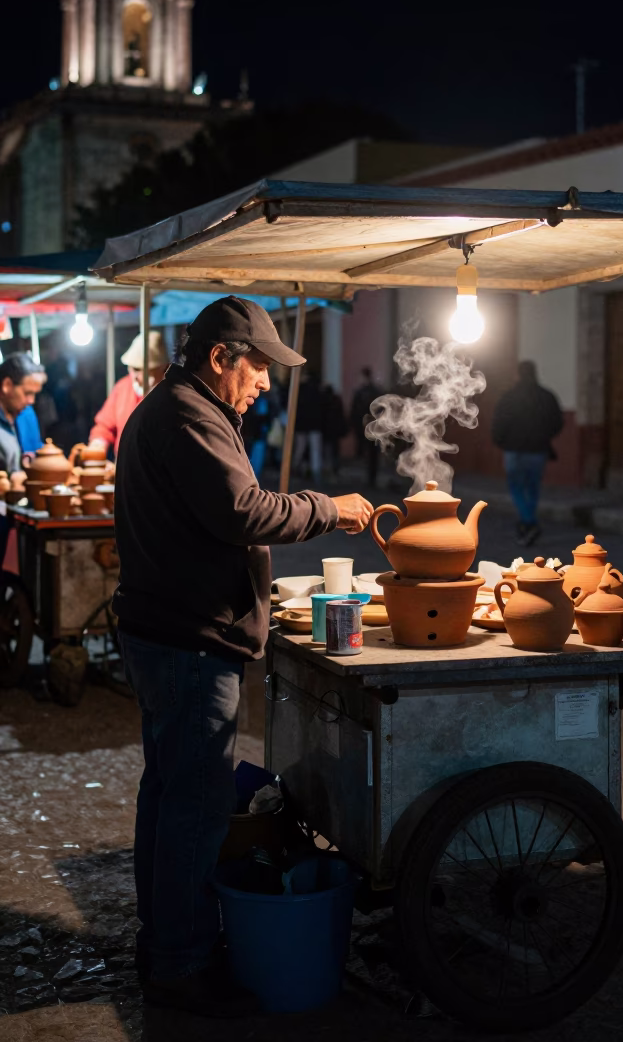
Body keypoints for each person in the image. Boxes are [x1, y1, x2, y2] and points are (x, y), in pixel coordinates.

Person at [113, 296, 372, 1017]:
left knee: (169, 799)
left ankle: (164, 942)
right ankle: (182, 964)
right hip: (190, 642)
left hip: (169, 633)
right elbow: (243, 510)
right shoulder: (188, 416)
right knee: (193, 808)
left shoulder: (182, 409)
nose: (265, 384)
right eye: (258, 368)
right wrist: (328, 508)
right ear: (220, 357)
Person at [491, 360, 564, 547]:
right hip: (537, 451)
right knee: (532, 489)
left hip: (514, 451)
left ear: (518, 374)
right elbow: (558, 422)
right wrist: (545, 436)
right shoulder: (547, 396)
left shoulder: (508, 397)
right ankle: (527, 521)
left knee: (516, 488)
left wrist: (501, 442)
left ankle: (529, 522)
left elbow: (499, 423)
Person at [87, 330, 169, 458]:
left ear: (162, 367)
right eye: (132, 369)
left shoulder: (173, 394)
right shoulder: (123, 387)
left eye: (141, 370)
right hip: (124, 468)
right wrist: (98, 444)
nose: (135, 376)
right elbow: (105, 425)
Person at [0, 353, 43, 476]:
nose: (31, 401)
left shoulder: (27, 414)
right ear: (7, 385)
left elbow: (36, 449)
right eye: (27, 393)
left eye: (34, 394)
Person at [350, 366, 383, 487]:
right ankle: (371, 478)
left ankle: (369, 478)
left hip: (365, 426)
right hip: (374, 427)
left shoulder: (361, 392)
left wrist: (354, 424)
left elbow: (355, 410)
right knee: (373, 453)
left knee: (366, 452)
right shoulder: (376, 391)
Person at [292, 370, 324, 483]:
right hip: (314, 424)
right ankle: (315, 472)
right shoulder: (317, 391)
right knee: (315, 450)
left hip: (302, 424)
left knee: (300, 448)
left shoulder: (299, 390)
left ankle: (296, 468)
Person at [321, 383, 348, 477]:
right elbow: (341, 415)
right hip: (335, 430)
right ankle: (334, 468)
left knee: (328, 451)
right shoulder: (336, 400)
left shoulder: (324, 400)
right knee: (335, 451)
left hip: (327, 430)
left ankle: (329, 469)